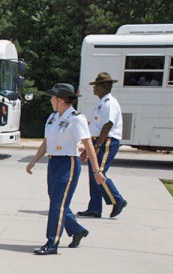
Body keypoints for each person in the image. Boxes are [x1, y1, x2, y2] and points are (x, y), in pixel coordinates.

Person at [25, 83, 106, 255]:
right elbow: (46, 143)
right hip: (53, 164)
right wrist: (34, 161)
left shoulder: (76, 118)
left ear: (61, 99)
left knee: (56, 204)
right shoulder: (53, 118)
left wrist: (96, 171)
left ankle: (51, 242)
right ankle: (77, 230)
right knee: (57, 202)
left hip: (68, 164)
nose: (51, 101)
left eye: (53, 98)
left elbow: (88, 144)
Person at [78, 72, 127, 218]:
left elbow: (108, 125)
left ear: (104, 86)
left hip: (107, 141)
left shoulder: (109, 103)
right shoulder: (101, 102)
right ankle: (94, 208)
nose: (94, 88)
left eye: (96, 85)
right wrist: (90, 147)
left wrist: (98, 144)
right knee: (94, 174)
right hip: (98, 140)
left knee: (98, 173)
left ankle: (118, 200)